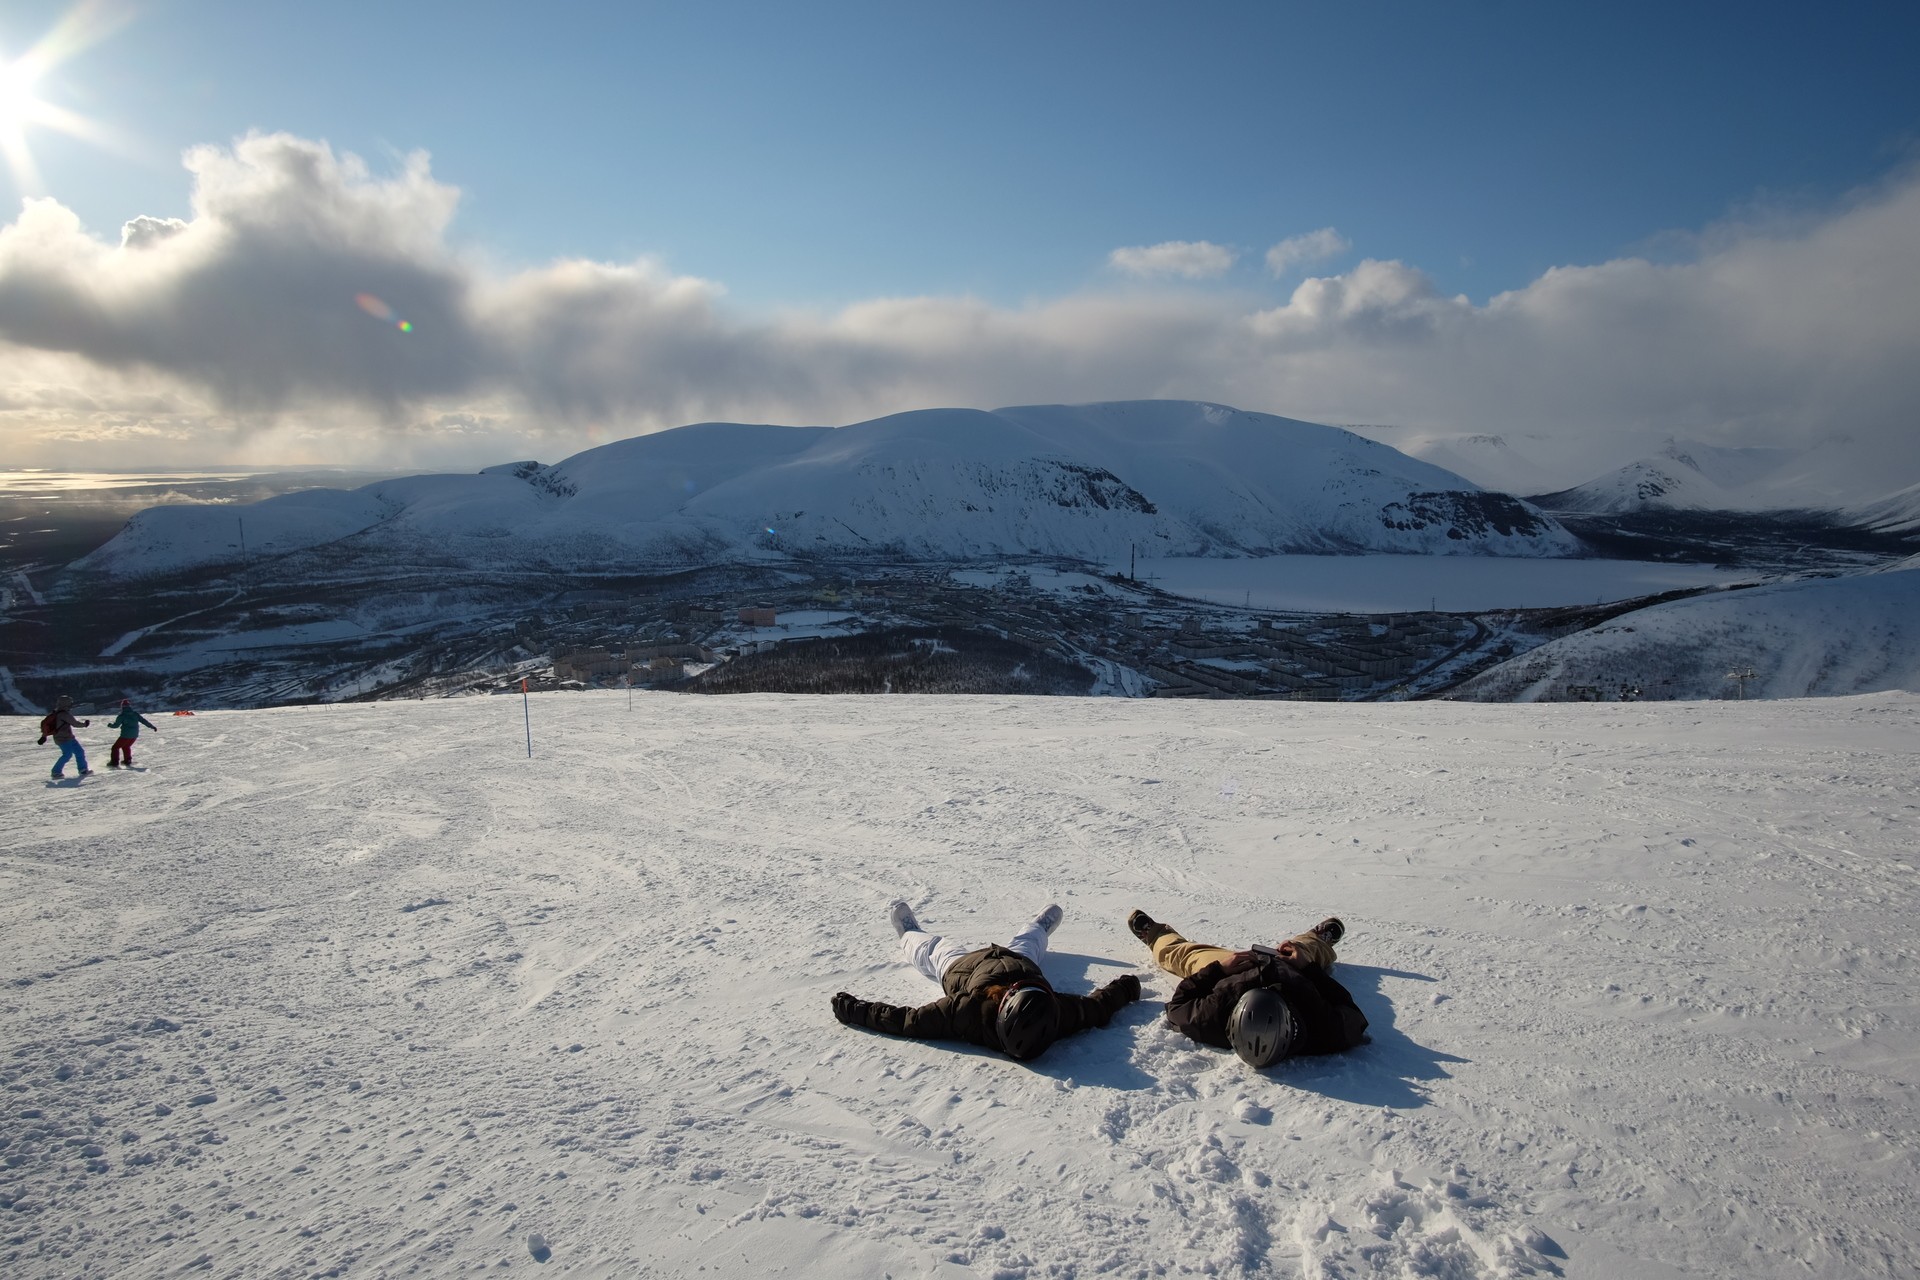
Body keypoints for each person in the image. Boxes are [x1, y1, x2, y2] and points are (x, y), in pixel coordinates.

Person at [831, 901, 1141, 1062]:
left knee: (931, 950)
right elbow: (1098, 1006)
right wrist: (1127, 987)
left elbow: (907, 1021)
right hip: (1020, 960)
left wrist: (854, 1009)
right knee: (1030, 941)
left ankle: (909, 933)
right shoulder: (1057, 1013)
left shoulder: (966, 1012)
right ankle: (1040, 927)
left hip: (962, 969)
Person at [1127, 909, 1368, 1068]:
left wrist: (1219, 970)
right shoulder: (1323, 1029)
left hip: (1236, 969)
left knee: (1186, 955)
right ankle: (1316, 941)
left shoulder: (1212, 1017)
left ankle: (1156, 936)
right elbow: (1350, 1011)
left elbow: (1179, 1004)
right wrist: (1307, 968)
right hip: (1291, 969)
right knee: (1300, 950)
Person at [37, 695, 92, 779]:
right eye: (70, 703)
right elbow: (75, 723)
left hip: (67, 738)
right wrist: (85, 724)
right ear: (67, 704)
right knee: (67, 754)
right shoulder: (64, 714)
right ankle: (56, 772)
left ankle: (83, 769)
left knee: (79, 752)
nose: (71, 705)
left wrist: (44, 736)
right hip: (63, 739)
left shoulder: (55, 713)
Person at [104, 699, 159, 768]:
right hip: (134, 735)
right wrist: (152, 726)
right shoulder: (135, 714)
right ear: (129, 706)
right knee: (126, 746)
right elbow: (143, 721)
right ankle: (127, 760)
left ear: (122, 707)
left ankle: (114, 762)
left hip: (125, 735)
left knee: (115, 747)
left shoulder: (122, 716)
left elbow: (116, 726)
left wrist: (110, 725)